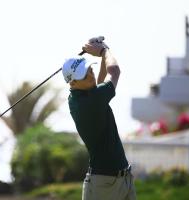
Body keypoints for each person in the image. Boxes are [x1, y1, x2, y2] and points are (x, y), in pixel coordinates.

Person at [62, 37, 136, 200]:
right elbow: (115, 71)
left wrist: (103, 52)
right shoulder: (91, 101)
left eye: (89, 69)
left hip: (122, 179)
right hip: (105, 185)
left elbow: (99, 81)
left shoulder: (78, 97)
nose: (91, 75)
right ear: (72, 83)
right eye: (84, 75)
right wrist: (103, 51)